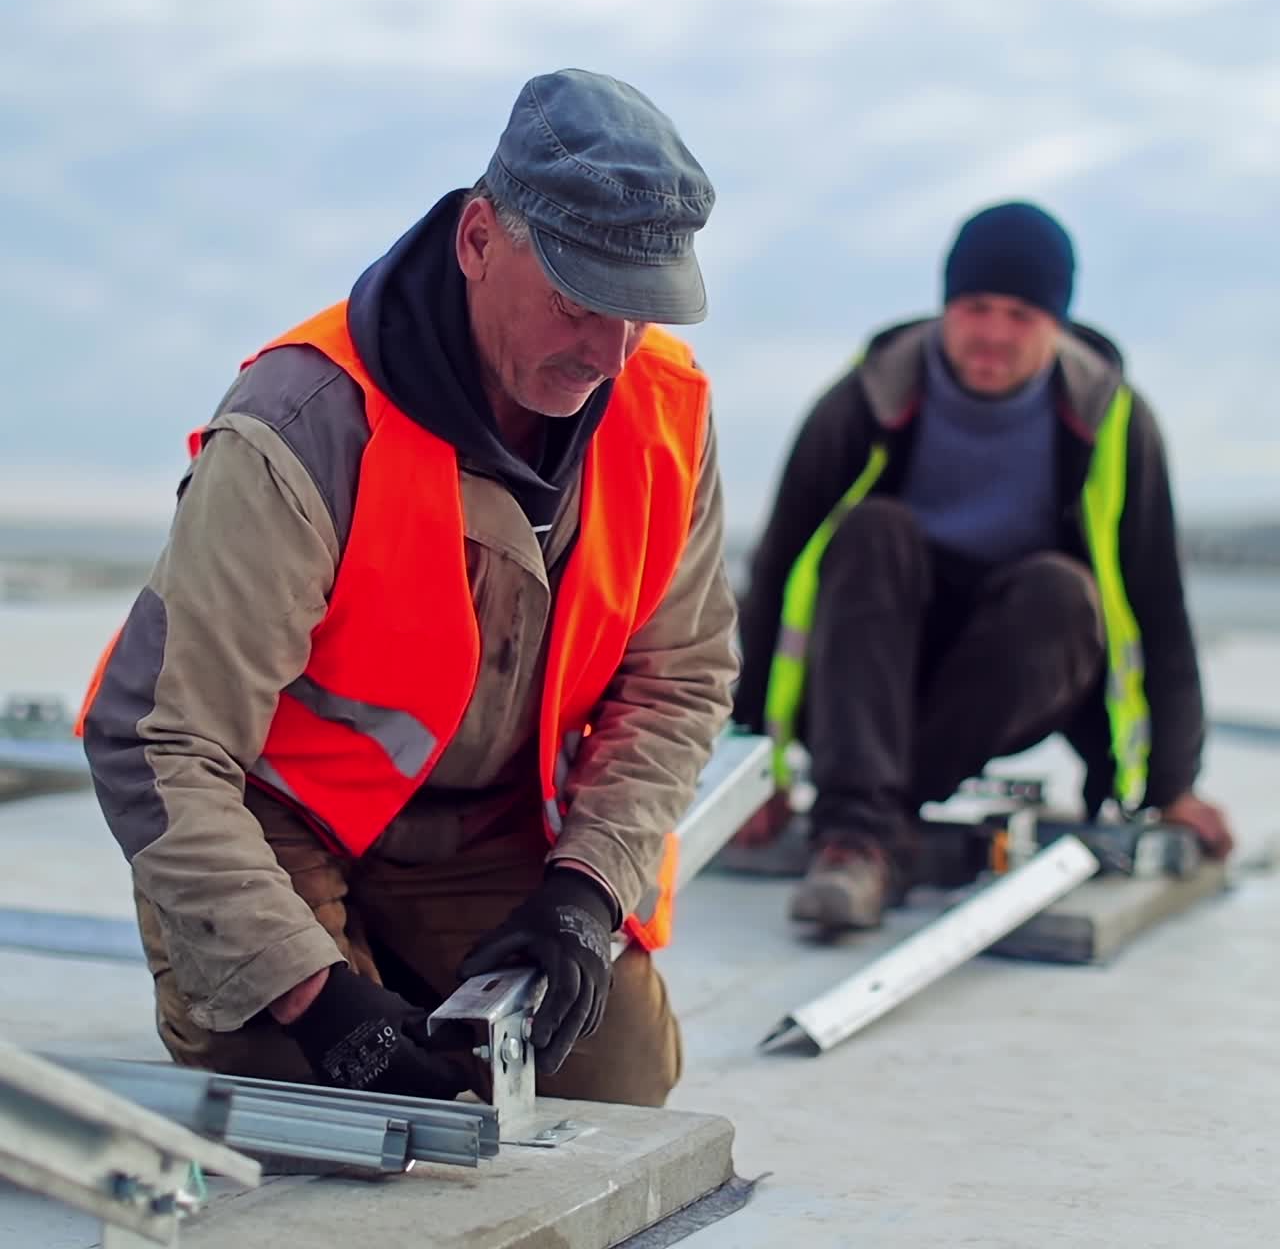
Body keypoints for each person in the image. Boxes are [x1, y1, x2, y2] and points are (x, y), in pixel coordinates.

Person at [80, 69, 737, 1108]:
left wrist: (583, 888)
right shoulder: (301, 428)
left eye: (637, 315)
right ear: (479, 239)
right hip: (275, 825)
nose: (607, 354)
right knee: (341, 1114)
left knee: (615, 1082)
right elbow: (154, 739)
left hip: (482, 828)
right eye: (576, 301)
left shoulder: (663, 411)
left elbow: (679, 678)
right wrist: (309, 994)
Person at [731, 200, 1232, 931]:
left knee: (1063, 593)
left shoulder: (1112, 420)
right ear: (944, 307)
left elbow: (1158, 609)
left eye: (1020, 315)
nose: (993, 334)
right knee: (873, 530)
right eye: (976, 307)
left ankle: (866, 831)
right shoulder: (865, 400)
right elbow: (776, 579)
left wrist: (1170, 786)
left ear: (1056, 323)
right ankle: (858, 839)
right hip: (863, 675)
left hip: (1006, 678)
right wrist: (753, 773)